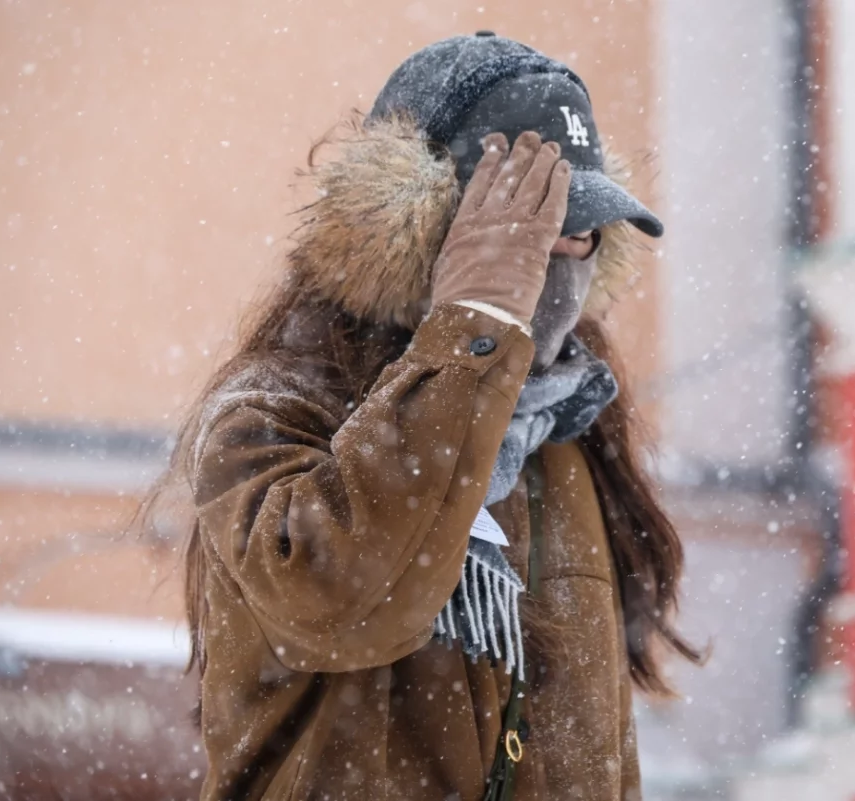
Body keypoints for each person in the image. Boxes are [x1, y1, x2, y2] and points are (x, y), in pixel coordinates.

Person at [140, 32, 701, 801]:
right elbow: (343, 604)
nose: (552, 265)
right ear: (418, 232)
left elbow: (599, 753)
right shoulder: (267, 414)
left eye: (578, 235)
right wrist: (473, 328)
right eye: (521, 233)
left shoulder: (565, 429)